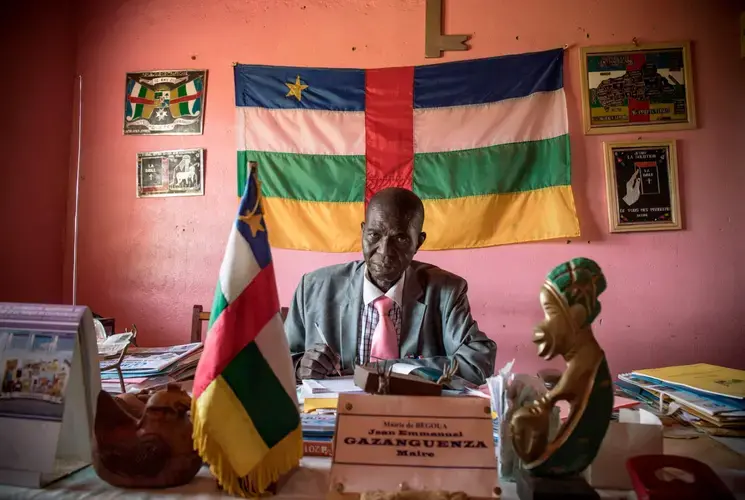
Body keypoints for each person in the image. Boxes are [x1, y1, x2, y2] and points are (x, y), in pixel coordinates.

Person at [284, 187, 496, 385]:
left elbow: (477, 361)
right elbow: (277, 363)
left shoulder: (445, 291)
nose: (384, 250)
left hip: (414, 418)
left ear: (418, 243)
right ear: (363, 232)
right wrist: (300, 367)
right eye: (374, 235)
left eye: (401, 238)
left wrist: (387, 370)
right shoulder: (313, 288)